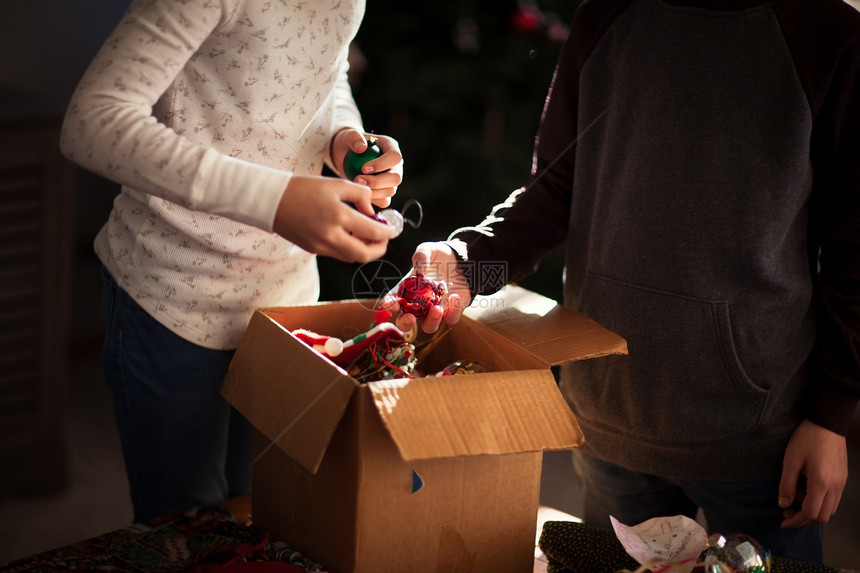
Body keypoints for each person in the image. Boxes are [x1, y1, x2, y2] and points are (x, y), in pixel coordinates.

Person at [387, 0, 859, 563]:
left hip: (763, 448)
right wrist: (468, 264)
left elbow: (854, 245)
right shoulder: (606, 14)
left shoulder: (831, 35)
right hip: (609, 423)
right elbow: (560, 185)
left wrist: (830, 416)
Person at [60, 0, 403, 523]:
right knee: (187, 527)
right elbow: (92, 123)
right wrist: (276, 200)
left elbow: (325, 75)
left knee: (265, 506)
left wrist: (342, 139)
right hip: (171, 298)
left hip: (284, 306)